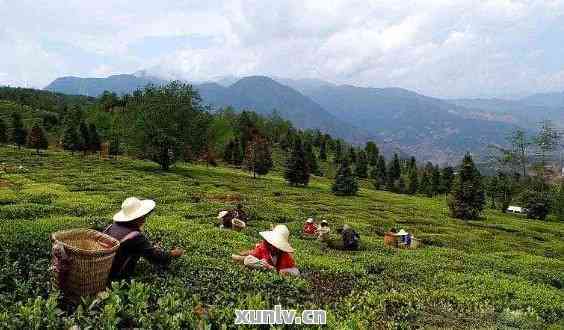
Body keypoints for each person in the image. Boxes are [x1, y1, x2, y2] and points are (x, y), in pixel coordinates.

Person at [104, 197, 184, 279]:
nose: (144, 219)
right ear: (137, 218)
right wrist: (173, 253)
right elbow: (156, 257)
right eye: (143, 216)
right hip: (117, 276)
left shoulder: (112, 226)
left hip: (105, 269)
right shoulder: (135, 237)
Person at [232, 224, 299, 276]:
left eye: (277, 245)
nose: (273, 247)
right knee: (248, 260)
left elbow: (295, 271)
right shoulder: (264, 247)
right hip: (261, 264)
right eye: (273, 244)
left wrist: (281, 271)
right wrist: (266, 266)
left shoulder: (285, 255)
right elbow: (250, 258)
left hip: (276, 270)